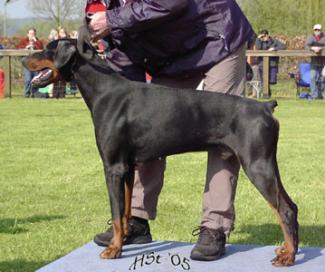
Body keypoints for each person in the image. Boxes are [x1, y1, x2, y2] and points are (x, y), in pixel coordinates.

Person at [87, 0, 254, 261]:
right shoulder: (100, 4)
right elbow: (121, 52)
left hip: (217, 35)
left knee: (224, 132)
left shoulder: (112, 13)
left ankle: (214, 226)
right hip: (172, 57)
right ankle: (136, 220)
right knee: (150, 126)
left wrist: (113, 19)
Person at [255, 29, 286, 95]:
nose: (264, 38)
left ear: (268, 35)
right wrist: (258, 39)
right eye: (262, 36)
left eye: (265, 36)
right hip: (262, 63)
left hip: (272, 63)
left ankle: (267, 93)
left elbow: (283, 46)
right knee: (263, 80)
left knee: (272, 81)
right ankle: (266, 94)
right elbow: (258, 48)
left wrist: (274, 48)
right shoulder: (260, 42)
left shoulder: (274, 41)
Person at [17, 28, 44, 97]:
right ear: (27, 34)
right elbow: (18, 48)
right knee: (28, 79)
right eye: (30, 33)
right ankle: (27, 94)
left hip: (36, 64)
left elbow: (41, 49)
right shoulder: (23, 41)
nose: (32, 35)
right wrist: (26, 47)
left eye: (33, 34)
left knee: (36, 79)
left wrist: (35, 43)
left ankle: (35, 93)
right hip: (27, 64)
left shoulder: (38, 41)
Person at [305, 24, 325, 99]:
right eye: (315, 30)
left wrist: (320, 48)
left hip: (323, 62)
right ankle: (314, 95)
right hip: (314, 61)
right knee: (312, 77)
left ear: (321, 30)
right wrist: (313, 48)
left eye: (318, 30)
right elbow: (306, 46)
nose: (317, 31)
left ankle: (320, 94)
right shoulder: (310, 37)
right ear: (313, 30)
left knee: (322, 79)